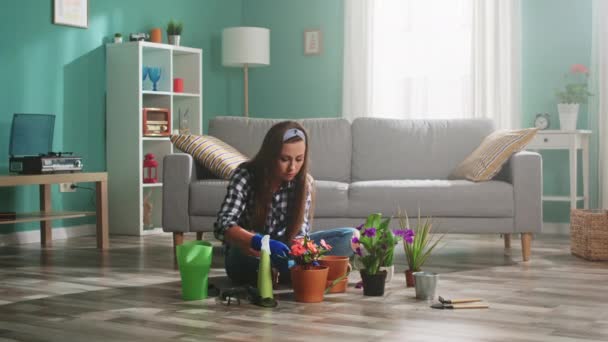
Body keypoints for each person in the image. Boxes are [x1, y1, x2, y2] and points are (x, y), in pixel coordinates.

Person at [214, 121, 358, 285]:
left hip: (287, 251)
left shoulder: (304, 183)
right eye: (284, 159)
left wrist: (306, 254)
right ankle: (301, 273)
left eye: (299, 159)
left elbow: (300, 235)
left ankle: (288, 272)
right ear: (270, 155)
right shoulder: (245, 175)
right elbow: (222, 225)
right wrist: (258, 242)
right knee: (238, 254)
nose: (292, 167)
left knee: (350, 237)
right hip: (251, 252)